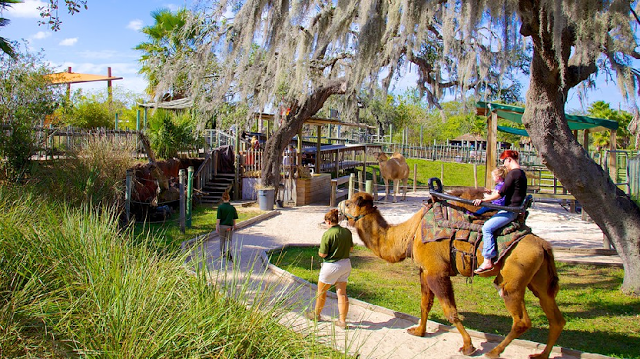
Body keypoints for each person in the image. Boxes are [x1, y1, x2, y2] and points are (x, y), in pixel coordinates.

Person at [473, 150, 527, 273]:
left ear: (509, 159)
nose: (504, 165)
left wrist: (483, 200)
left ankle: (487, 260)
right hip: (513, 209)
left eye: (504, 161)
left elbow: (499, 193)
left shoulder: (513, 174)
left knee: (487, 227)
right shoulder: (521, 174)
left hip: (510, 210)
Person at [306, 209, 354, 328]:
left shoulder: (328, 234)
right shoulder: (347, 232)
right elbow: (351, 249)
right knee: (342, 293)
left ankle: (316, 314)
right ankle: (342, 321)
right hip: (345, 264)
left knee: (322, 292)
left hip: (331, 265)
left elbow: (322, 254)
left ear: (328, 221)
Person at [216, 191, 238, 262]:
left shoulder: (220, 207)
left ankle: (222, 253)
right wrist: (234, 225)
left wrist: (217, 227)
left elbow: (218, 218)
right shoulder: (232, 208)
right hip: (229, 226)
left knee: (222, 240)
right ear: (229, 198)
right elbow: (234, 218)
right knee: (229, 240)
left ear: (222, 198)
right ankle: (229, 253)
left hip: (222, 226)